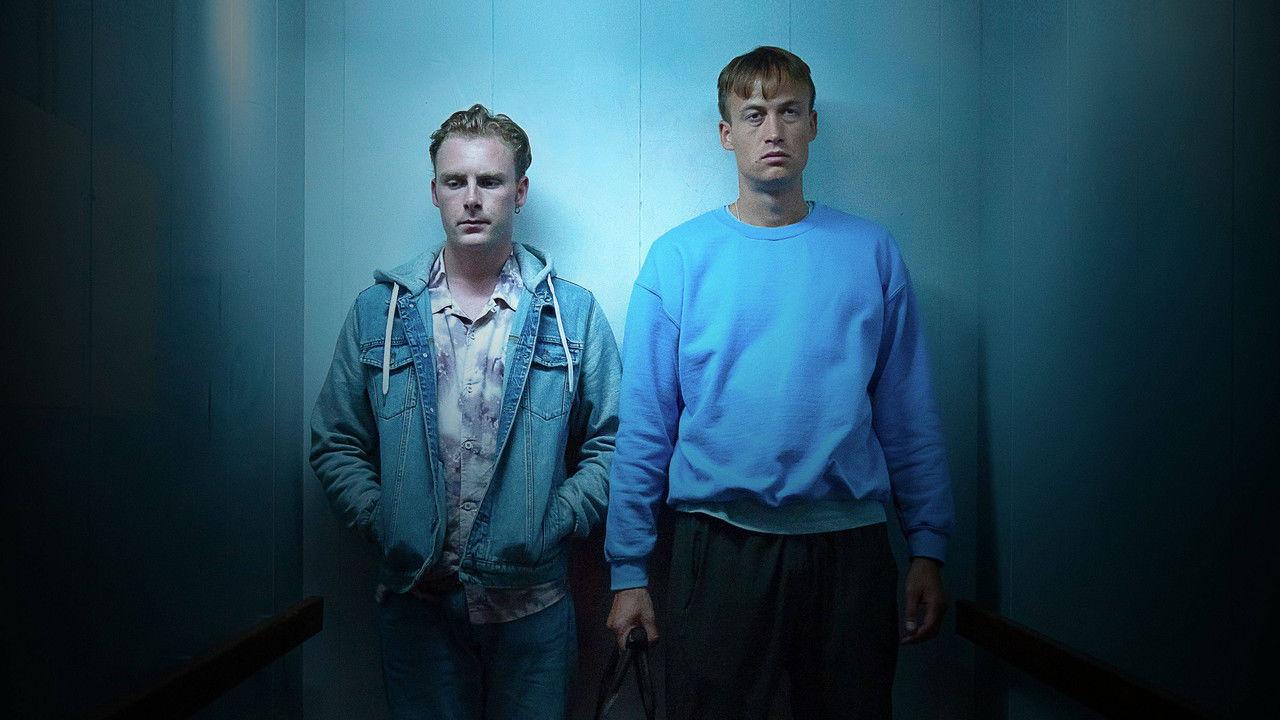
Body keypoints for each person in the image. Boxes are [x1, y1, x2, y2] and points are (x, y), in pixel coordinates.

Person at [604, 47, 955, 720]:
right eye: (754, 114)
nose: (773, 131)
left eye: (789, 112)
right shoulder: (678, 259)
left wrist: (928, 547)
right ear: (726, 132)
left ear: (812, 125)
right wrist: (628, 571)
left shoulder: (871, 252)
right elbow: (645, 427)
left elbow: (907, 414)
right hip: (719, 546)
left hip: (850, 548)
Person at [311, 104, 620, 720]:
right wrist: (387, 519)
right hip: (416, 604)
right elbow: (334, 440)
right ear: (435, 192)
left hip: (532, 606)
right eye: (455, 182)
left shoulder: (572, 315)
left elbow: (615, 442)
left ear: (519, 191)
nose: (472, 199)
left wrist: (555, 518)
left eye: (490, 181)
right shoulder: (379, 312)